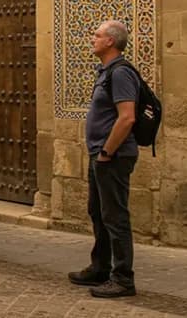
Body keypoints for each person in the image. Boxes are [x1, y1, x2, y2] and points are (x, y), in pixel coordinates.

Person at [69, 20, 139, 299]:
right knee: (98, 212)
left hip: (113, 156)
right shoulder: (106, 71)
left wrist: (107, 152)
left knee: (115, 217)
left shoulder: (120, 73)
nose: (92, 38)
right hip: (101, 155)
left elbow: (127, 117)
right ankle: (100, 267)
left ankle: (123, 279)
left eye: (97, 35)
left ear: (111, 41)